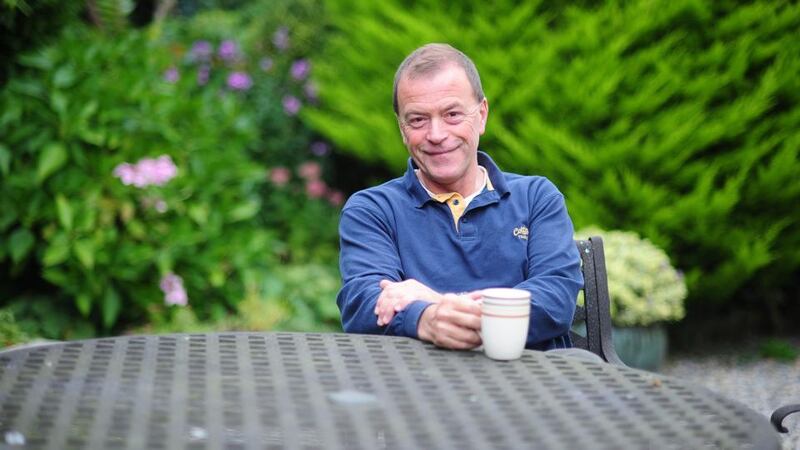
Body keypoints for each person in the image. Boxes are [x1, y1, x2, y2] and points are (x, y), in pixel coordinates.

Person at [336, 43, 582, 351]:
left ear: (482, 115)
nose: (437, 134)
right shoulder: (372, 209)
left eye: (452, 114)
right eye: (418, 120)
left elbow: (555, 300)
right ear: (401, 128)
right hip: (415, 378)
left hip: (537, 377)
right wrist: (427, 320)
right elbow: (364, 303)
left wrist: (435, 303)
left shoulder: (536, 198)